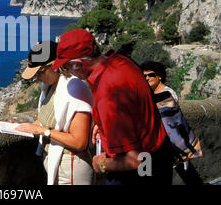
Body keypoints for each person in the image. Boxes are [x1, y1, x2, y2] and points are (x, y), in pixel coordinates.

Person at [53, 29, 174, 185]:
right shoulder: (121, 61)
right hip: (159, 150)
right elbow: (132, 106)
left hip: (138, 171)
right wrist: (102, 123)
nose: (66, 72)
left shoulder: (108, 95)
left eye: (65, 68)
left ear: (78, 65)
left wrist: (100, 164)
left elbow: (135, 160)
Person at [15, 41, 94, 185]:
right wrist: (23, 127)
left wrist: (43, 131)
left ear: (54, 65)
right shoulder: (50, 87)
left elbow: (80, 141)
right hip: (56, 163)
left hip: (71, 168)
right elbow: (47, 120)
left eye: (40, 72)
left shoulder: (75, 89)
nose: (37, 77)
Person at [140, 61, 204, 185]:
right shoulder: (150, 94)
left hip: (166, 145)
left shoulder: (168, 93)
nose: (147, 78)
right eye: (144, 76)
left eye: (151, 75)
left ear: (160, 76)